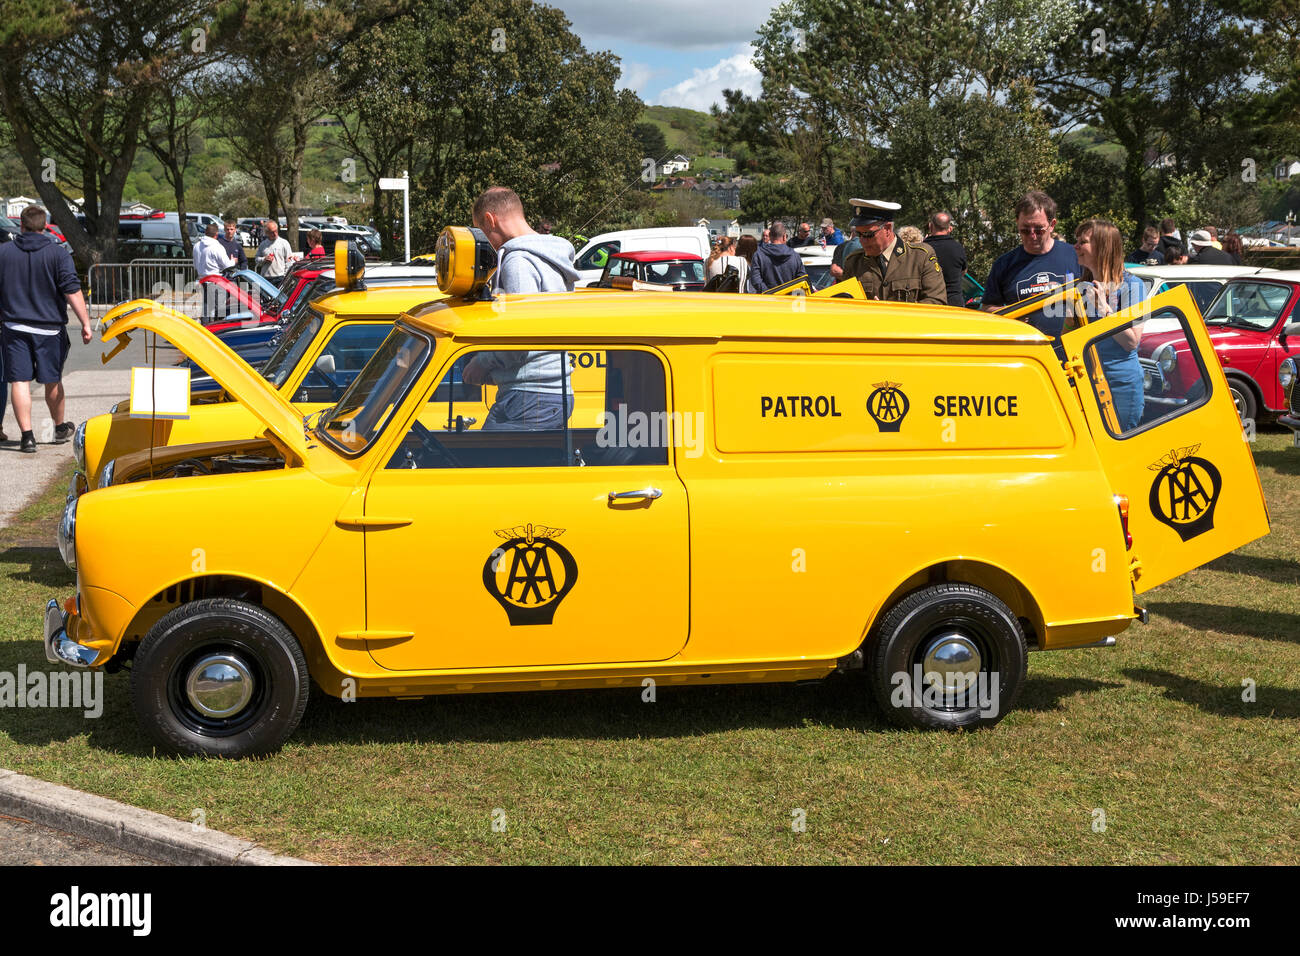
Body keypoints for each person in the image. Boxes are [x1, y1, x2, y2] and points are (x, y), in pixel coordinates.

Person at [463, 186, 580, 430]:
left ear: (490, 220)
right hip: (551, 394)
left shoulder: (518, 262)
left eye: (484, 232)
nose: (487, 244)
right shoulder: (550, 257)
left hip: (529, 396)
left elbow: (521, 339)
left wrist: (481, 363)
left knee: (478, 462)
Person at [0, 205, 92, 453]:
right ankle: (59, 427)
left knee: (19, 381)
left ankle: (27, 436)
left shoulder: (4, 253)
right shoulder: (58, 254)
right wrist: (85, 322)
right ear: (45, 227)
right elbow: (71, 289)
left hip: (14, 326)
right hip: (49, 329)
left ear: (21, 225)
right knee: (52, 380)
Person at [1075, 219, 1147, 431]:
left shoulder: (1133, 286)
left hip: (1120, 386)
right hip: (1087, 381)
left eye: (1083, 242)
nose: (1076, 246)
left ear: (1102, 247)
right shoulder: (1082, 287)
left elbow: (1132, 341)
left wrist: (1104, 308)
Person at [982, 190, 1080, 336]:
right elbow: (986, 308)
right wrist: (1011, 317)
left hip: (1074, 351)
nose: (1032, 236)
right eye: (1025, 230)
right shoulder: (1004, 264)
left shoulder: (1076, 255)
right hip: (1028, 354)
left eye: (1039, 230)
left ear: (1052, 225)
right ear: (1017, 223)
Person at [471, 185, 580, 293]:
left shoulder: (517, 263)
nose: (483, 240)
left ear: (490, 220)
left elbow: (519, 310)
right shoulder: (555, 255)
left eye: (480, 231)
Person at [842, 199, 947, 305]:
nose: (862, 241)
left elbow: (937, 302)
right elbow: (843, 306)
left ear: (887, 229)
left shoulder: (920, 257)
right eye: (859, 234)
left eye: (868, 234)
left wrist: (892, 312)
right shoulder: (853, 262)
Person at [747, 221, 808, 292]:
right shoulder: (795, 256)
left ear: (769, 236)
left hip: (767, 300)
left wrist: (770, 293)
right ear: (785, 236)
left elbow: (756, 280)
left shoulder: (759, 255)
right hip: (788, 300)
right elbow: (802, 279)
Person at [924, 211, 968, 308]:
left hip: (930, 303)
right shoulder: (958, 248)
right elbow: (963, 271)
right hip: (954, 303)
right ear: (950, 228)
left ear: (930, 226)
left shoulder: (923, 248)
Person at [193, 222, 235, 321]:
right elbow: (227, 265)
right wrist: (233, 260)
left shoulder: (197, 245)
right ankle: (218, 331)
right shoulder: (217, 247)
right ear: (216, 235)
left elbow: (195, 265)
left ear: (205, 232)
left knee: (205, 308)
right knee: (220, 309)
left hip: (202, 280)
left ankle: (205, 329)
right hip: (216, 281)